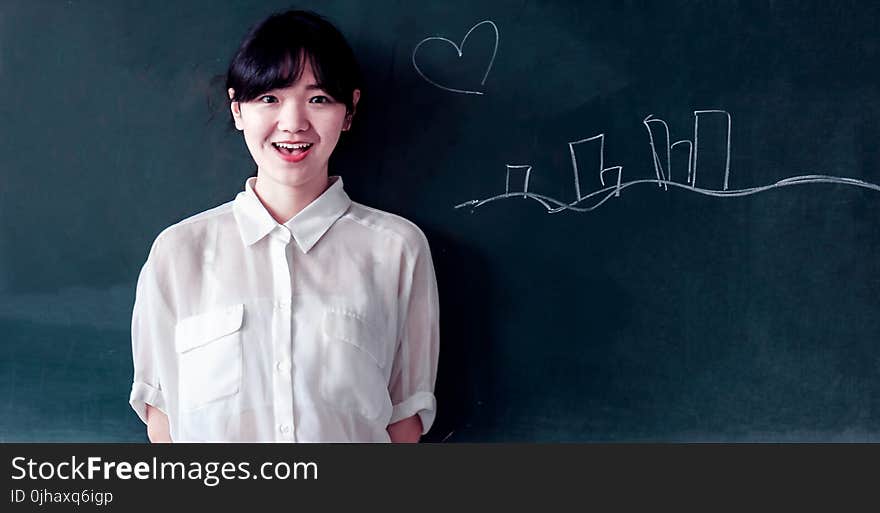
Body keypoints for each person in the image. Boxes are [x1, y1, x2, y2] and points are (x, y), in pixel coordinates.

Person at [129, 10, 439, 442]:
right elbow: (161, 415)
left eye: (318, 99)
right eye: (269, 98)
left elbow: (404, 418)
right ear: (238, 109)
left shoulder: (396, 249)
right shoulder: (178, 252)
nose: (293, 123)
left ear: (349, 111)